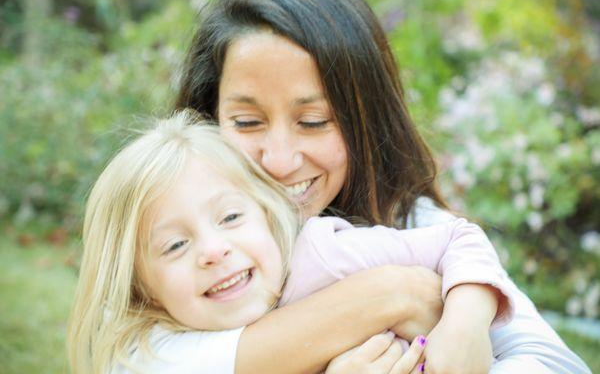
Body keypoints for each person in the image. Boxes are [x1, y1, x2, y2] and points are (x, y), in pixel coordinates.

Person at [173, 0, 591, 373]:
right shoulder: (167, 244)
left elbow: (558, 363)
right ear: (205, 119)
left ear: (366, 121)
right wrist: (392, 296)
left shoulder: (406, 223)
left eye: (315, 121)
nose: (279, 161)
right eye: (246, 122)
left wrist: (466, 312)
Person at [67, 112, 517, 373]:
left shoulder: (326, 254)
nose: (213, 250)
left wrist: (466, 320)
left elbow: (459, 236)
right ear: (141, 287)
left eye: (230, 217)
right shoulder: (152, 351)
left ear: (266, 213)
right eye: (174, 246)